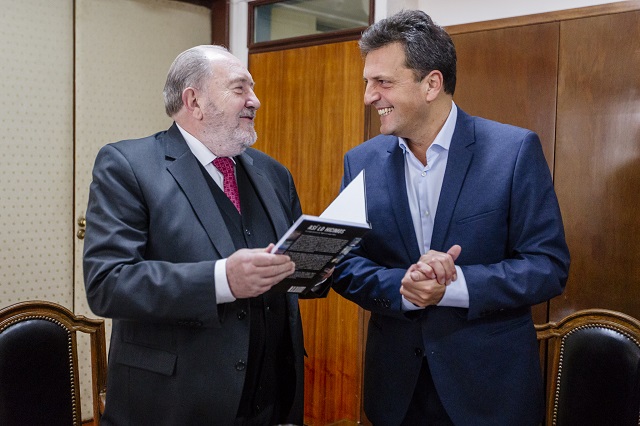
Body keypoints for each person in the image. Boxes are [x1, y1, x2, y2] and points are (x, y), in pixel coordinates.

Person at [332, 10, 570, 426]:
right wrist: (404, 288)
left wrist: (455, 286)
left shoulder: (513, 152)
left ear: (432, 84)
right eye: (368, 83)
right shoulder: (361, 163)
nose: (369, 97)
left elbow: (547, 266)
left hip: (490, 394)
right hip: (397, 395)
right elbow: (344, 263)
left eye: (383, 82)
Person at [83, 45, 326, 426]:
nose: (255, 100)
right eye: (240, 88)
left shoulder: (274, 173)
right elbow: (108, 284)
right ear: (193, 101)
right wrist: (222, 280)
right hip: (174, 403)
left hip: (272, 401)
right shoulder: (128, 166)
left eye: (252, 89)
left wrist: (316, 269)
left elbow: (290, 267)